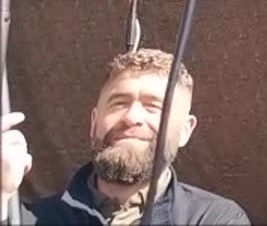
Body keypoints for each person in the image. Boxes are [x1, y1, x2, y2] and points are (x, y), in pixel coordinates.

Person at [0, 48, 249, 224]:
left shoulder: (216, 218)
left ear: (185, 131)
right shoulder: (29, 219)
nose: (131, 117)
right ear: (94, 122)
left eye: (153, 107)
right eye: (119, 103)